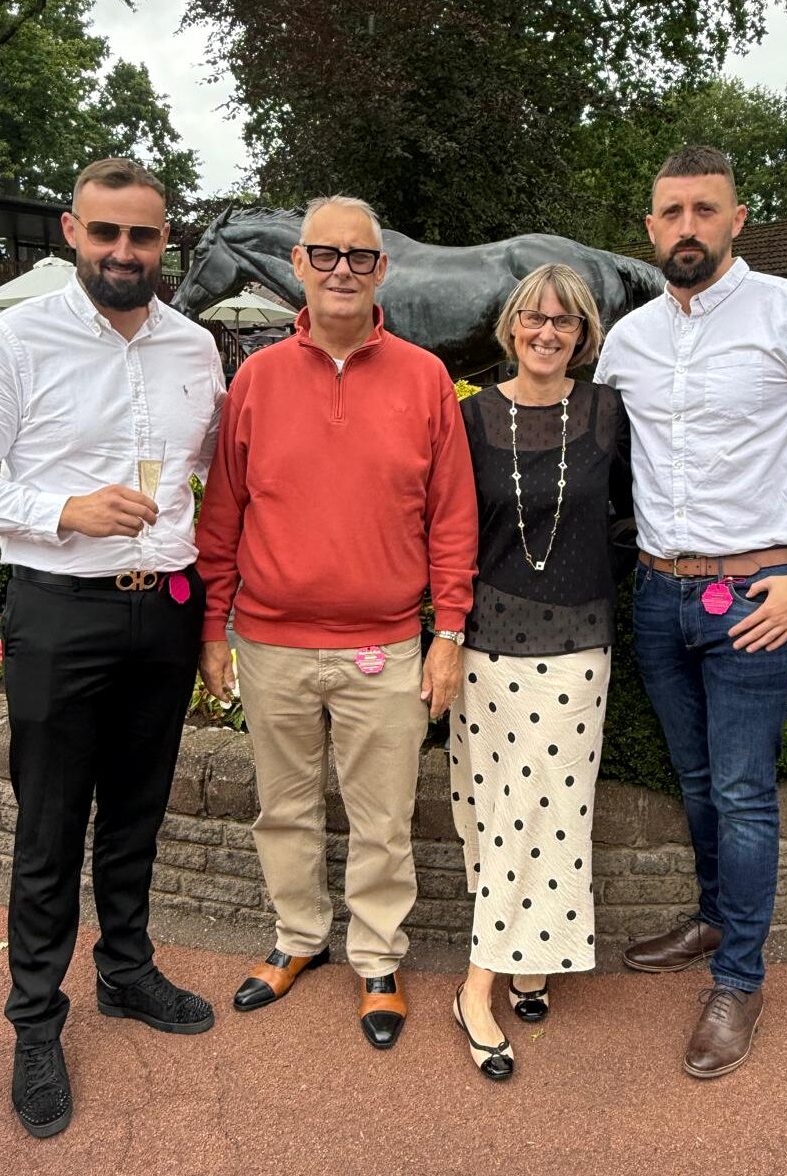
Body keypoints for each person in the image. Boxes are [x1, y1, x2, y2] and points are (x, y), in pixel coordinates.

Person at [0, 157, 225, 1139]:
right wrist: (64, 508)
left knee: (138, 812)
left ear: (165, 239)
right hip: (58, 610)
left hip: (165, 610)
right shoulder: (15, 340)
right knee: (51, 826)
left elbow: (209, 475)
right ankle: (34, 1025)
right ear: (72, 231)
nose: (125, 252)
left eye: (143, 235)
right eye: (107, 233)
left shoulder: (195, 347)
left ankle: (127, 974)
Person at [595, 145, 787, 1080]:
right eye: (670, 211)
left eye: (705, 209)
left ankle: (739, 977)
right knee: (695, 782)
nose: (687, 226)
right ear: (650, 230)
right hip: (657, 594)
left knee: (741, 793)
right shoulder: (628, 339)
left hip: (758, 598)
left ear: (736, 220)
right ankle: (712, 916)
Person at [195, 194, 478, 1051]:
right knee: (282, 809)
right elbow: (225, 510)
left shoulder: (426, 378)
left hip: (386, 643)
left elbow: (452, 519)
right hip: (271, 641)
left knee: (382, 818)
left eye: (359, 257)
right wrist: (214, 625)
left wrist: (450, 633)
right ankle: (295, 939)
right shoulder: (255, 379)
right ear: (299, 265)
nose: (342, 271)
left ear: (382, 269)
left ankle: (379, 957)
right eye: (326, 255)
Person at [448, 264, 630, 1081]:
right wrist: (446, 635)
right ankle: (525, 958)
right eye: (533, 318)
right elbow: (449, 534)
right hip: (487, 646)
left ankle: (478, 984)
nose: (547, 332)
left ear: (584, 334)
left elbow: (632, 515)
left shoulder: (606, 413)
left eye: (564, 321)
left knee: (548, 808)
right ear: (510, 327)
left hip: (577, 647)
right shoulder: (471, 417)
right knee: (490, 808)